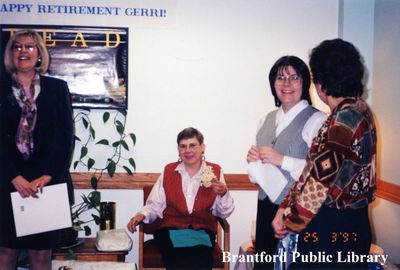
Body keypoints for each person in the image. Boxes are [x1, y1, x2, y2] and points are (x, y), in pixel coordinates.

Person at [272, 39, 377, 270]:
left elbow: (317, 186)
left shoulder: (343, 122)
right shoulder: (360, 110)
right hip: (355, 224)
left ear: (321, 83)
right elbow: (313, 169)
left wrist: (290, 223)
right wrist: (286, 205)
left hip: (333, 231)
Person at [0, 29, 74, 270]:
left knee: (41, 255)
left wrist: (49, 175)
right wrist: (14, 176)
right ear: (10, 53)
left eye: (30, 46)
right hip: (6, 182)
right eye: (17, 46)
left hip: (46, 184)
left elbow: (64, 137)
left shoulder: (57, 88)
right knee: (5, 252)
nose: (23, 51)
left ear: (39, 53)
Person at [246, 56, 327, 269]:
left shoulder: (317, 120)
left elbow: (321, 174)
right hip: (264, 207)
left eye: (294, 77)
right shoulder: (265, 120)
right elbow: (255, 179)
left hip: (296, 209)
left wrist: (282, 160)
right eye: (280, 77)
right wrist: (253, 163)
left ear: (304, 83)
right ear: (273, 84)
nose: (286, 83)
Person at [127, 127, 234, 270]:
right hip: (171, 230)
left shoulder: (215, 171)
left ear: (202, 147)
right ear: (178, 150)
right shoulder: (169, 171)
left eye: (192, 145)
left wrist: (223, 194)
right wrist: (142, 215)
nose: (188, 150)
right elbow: (155, 205)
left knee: (201, 258)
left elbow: (223, 213)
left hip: (201, 231)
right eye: (183, 146)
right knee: (177, 257)